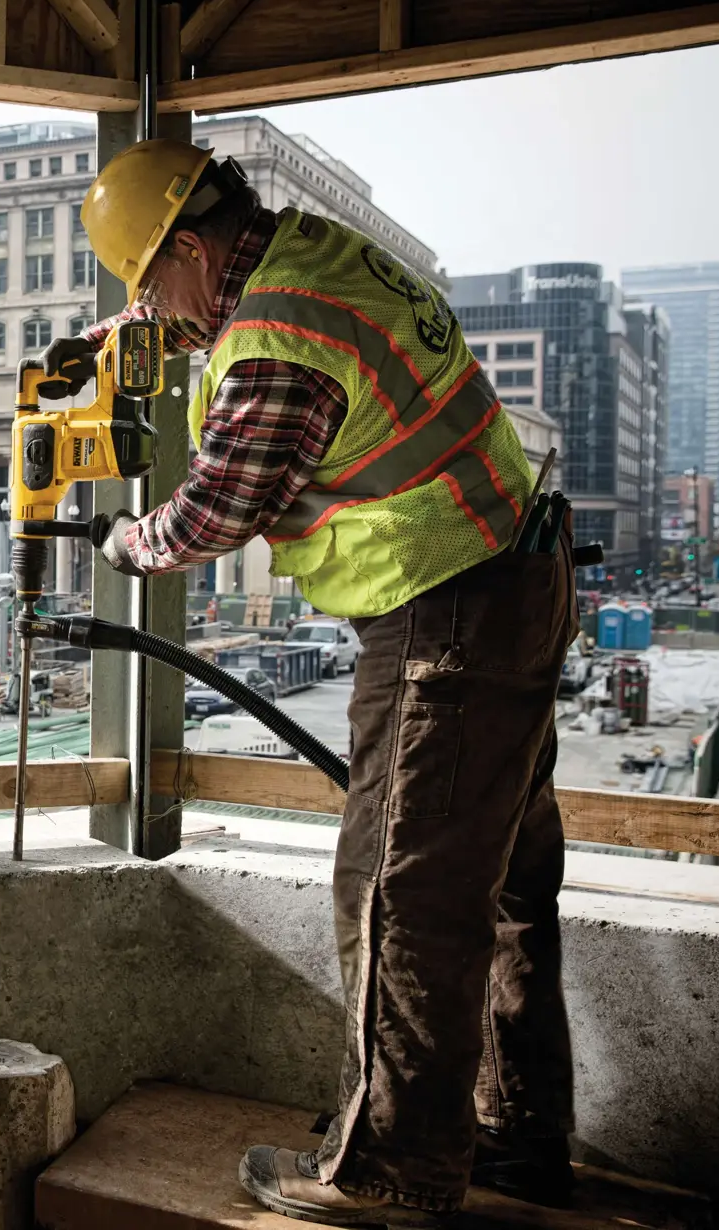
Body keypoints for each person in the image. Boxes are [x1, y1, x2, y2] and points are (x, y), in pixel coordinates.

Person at [77, 141, 578, 1224]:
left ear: (197, 253)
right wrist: (117, 339)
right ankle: (516, 1133)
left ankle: (394, 1170)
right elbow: (257, 346)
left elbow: (217, 513)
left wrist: (126, 543)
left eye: (152, 290)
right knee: (503, 889)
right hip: (514, 575)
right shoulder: (309, 257)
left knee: (399, 892)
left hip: (445, 605)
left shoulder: (271, 342)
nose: (156, 316)